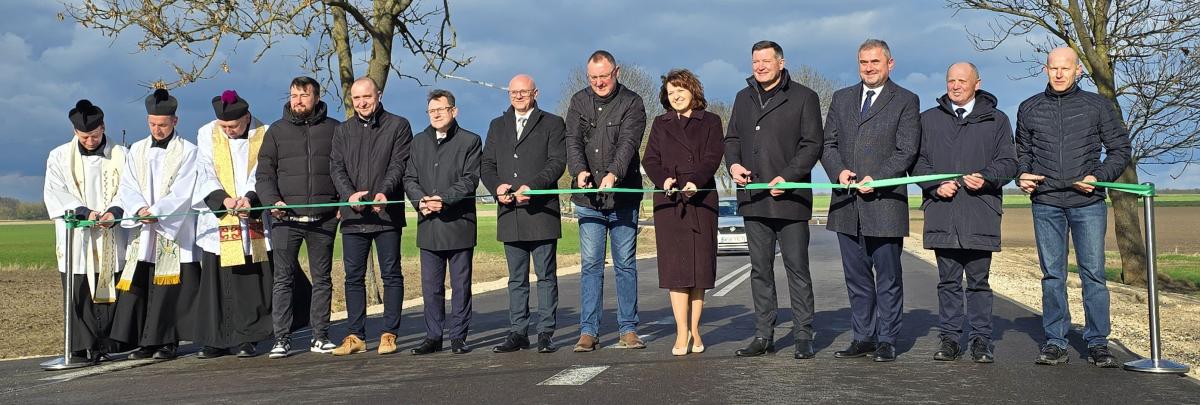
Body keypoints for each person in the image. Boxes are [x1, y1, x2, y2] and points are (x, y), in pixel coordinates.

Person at [1016, 47, 1132, 368]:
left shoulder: (1098, 106)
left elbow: (1120, 149)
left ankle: (1098, 342)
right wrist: (1022, 174)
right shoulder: (1029, 108)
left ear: (1078, 70)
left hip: (1087, 203)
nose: (1059, 74)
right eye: (1053, 68)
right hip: (1046, 203)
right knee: (1053, 275)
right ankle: (1056, 342)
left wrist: (1098, 177)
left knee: (1093, 274)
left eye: (1065, 68)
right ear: (1045, 69)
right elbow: (1022, 152)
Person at [821, 39, 920, 362]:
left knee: (888, 278)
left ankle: (887, 339)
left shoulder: (906, 100)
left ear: (890, 64)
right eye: (863, 62)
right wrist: (838, 172)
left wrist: (876, 179)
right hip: (847, 205)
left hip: (885, 204)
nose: (868, 68)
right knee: (857, 278)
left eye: (875, 62)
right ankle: (863, 336)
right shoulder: (841, 98)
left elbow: (906, 150)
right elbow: (828, 144)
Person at [725, 41, 825, 360]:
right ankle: (763, 335)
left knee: (797, 269)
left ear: (781, 63)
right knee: (760, 271)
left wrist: (789, 176)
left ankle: (803, 334)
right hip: (753, 198)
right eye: (755, 61)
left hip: (791, 199)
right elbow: (732, 139)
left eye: (766, 61)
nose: (760, 66)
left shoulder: (805, 97)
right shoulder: (742, 98)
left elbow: (812, 144)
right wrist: (733, 165)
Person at [913, 62, 1017, 363]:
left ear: (977, 84)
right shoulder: (928, 120)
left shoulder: (997, 120)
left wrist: (986, 177)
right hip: (942, 212)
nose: (955, 86)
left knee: (978, 283)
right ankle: (950, 339)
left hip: (980, 212)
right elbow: (917, 162)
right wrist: (935, 186)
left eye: (962, 80)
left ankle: (981, 340)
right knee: (947, 282)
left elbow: (1009, 162)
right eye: (951, 81)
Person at [564, 50, 648, 352]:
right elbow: (572, 141)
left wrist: (614, 173)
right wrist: (579, 171)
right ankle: (588, 331)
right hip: (588, 200)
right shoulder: (578, 102)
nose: (599, 82)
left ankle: (628, 329)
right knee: (591, 265)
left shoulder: (633, 103)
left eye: (604, 76)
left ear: (616, 72)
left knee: (625, 264)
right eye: (593, 77)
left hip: (623, 198)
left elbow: (628, 143)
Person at [112, 88, 201, 360]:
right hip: (144, 227)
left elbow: (185, 190)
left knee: (169, 287)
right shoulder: (137, 149)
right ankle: (146, 341)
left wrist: (158, 212)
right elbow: (127, 185)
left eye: (162, 124)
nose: (157, 130)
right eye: (152, 124)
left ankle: (167, 341)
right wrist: (139, 209)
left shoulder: (188, 151)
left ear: (175, 121)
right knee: (143, 282)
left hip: (172, 229)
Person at [481, 74, 566, 354]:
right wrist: (497, 187)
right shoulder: (497, 125)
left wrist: (535, 187)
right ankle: (518, 332)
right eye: (513, 92)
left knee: (545, 276)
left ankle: (545, 333)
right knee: (516, 279)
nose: (518, 96)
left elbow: (557, 163)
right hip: (510, 213)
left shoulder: (552, 123)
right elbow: (487, 165)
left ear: (535, 93)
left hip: (541, 212)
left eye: (523, 92)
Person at [643, 69, 725, 356]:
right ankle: (681, 331)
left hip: (701, 201)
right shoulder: (660, 123)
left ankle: (695, 329)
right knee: (676, 271)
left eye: (680, 90)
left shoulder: (711, 121)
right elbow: (650, 159)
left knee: (699, 270)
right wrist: (663, 180)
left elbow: (713, 157)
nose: (675, 96)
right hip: (670, 203)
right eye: (670, 92)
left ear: (693, 90)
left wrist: (697, 181)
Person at [329, 77, 413, 356]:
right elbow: (336, 167)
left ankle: (389, 333)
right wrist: (349, 195)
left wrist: (384, 192)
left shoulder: (398, 125)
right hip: (353, 216)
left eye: (367, 96)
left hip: (385, 212)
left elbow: (399, 164)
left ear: (379, 95)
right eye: (356, 98)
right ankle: (355, 335)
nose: (362, 102)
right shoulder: (342, 131)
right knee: (353, 277)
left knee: (391, 274)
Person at [257, 76, 339, 358]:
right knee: (283, 280)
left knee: (322, 279)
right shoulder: (276, 131)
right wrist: (272, 202)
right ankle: (281, 339)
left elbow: (343, 169)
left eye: (304, 95)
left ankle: (320, 336)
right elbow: (264, 175)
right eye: (294, 95)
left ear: (316, 97)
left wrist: (340, 205)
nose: (298, 100)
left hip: (324, 220)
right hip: (285, 220)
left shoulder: (335, 129)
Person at [43, 99, 129, 363]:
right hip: (77, 238)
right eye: (84, 137)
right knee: (79, 290)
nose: (90, 141)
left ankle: (109, 345)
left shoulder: (121, 154)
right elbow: (55, 192)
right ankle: (80, 347)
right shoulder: (59, 156)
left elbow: (129, 188)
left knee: (109, 287)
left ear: (103, 128)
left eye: (94, 135)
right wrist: (84, 212)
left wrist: (114, 212)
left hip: (110, 233)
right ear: (75, 132)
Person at [191, 90, 274, 359]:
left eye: (233, 126)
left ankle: (246, 338)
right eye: (224, 126)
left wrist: (249, 198)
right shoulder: (207, 132)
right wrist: (222, 199)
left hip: (250, 215)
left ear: (246, 117)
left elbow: (263, 170)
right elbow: (204, 169)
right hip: (221, 214)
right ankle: (215, 339)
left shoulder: (264, 132)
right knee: (216, 280)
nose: (228, 131)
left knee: (248, 279)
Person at [404, 89, 482, 355]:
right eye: (431, 110)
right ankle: (433, 336)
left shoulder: (470, 141)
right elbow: (409, 178)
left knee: (461, 286)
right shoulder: (418, 142)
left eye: (441, 109)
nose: (436, 114)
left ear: (453, 111)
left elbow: (470, 179)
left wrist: (444, 199)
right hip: (428, 224)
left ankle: (458, 336)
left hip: (459, 224)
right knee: (431, 287)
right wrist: (420, 201)